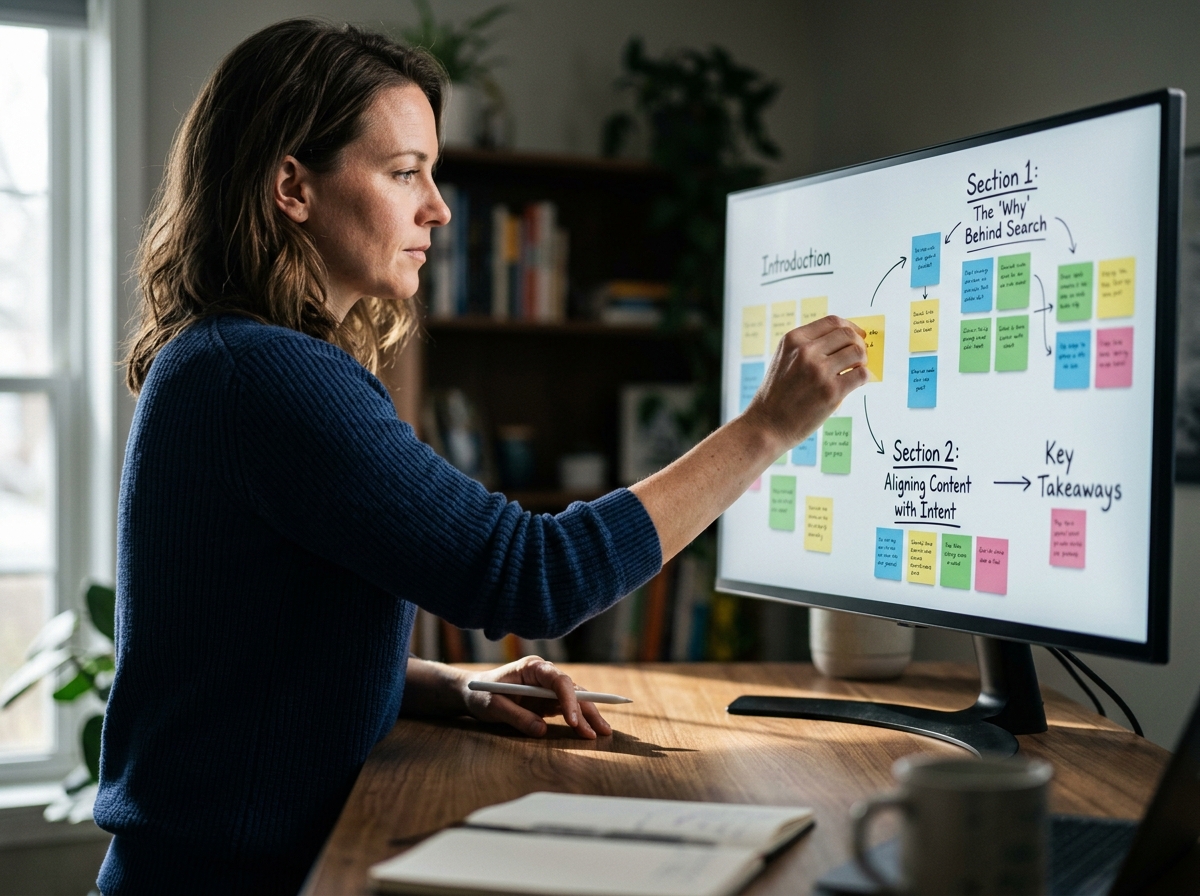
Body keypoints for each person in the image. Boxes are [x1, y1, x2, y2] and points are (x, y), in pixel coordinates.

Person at [94, 18, 868, 896]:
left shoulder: (222, 360)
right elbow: (533, 576)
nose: (438, 207)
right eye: (404, 172)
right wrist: (764, 428)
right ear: (292, 187)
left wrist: (448, 687)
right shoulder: (265, 374)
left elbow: (253, 656)